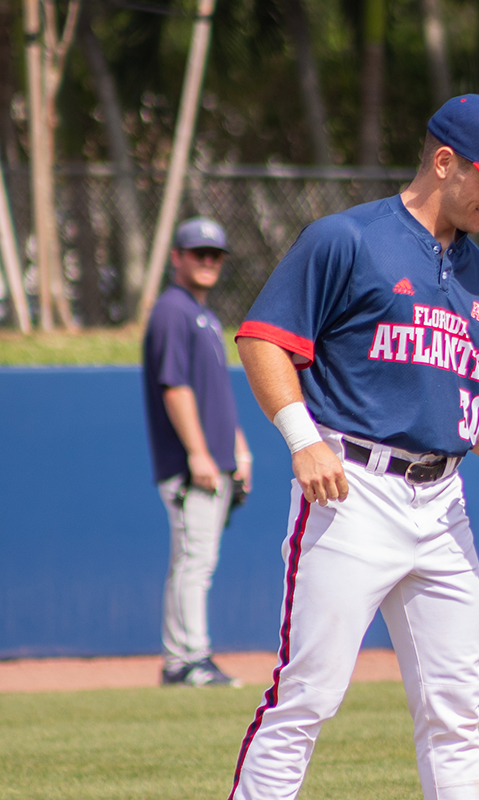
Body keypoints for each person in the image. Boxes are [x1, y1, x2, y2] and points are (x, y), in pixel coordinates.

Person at [227, 94, 479, 800]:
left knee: (455, 713)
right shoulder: (345, 239)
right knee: (306, 696)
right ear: (444, 162)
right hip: (352, 489)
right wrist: (302, 441)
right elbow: (262, 339)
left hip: (444, 505)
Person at [142, 216, 252, 688]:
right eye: (198, 254)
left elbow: (215, 395)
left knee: (194, 560)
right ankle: (188, 659)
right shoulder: (173, 310)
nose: (208, 262)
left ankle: (183, 659)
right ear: (177, 258)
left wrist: (238, 450)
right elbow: (175, 387)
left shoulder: (201, 314)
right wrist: (199, 454)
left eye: (215, 255)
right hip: (194, 466)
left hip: (214, 460)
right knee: (194, 562)